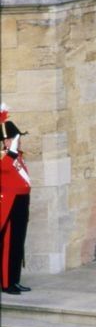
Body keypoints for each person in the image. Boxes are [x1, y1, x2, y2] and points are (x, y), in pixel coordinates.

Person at [0, 107, 31, 295]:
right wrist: (10, 151)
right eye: (15, 138)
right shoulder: (5, 156)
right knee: (8, 244)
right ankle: (6, 283)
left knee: (18, 243)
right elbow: (3, 168)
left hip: (21, 202)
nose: (18, 142)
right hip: (9, 205)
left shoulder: (17, 155)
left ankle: (15, 279)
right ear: (7, 140)